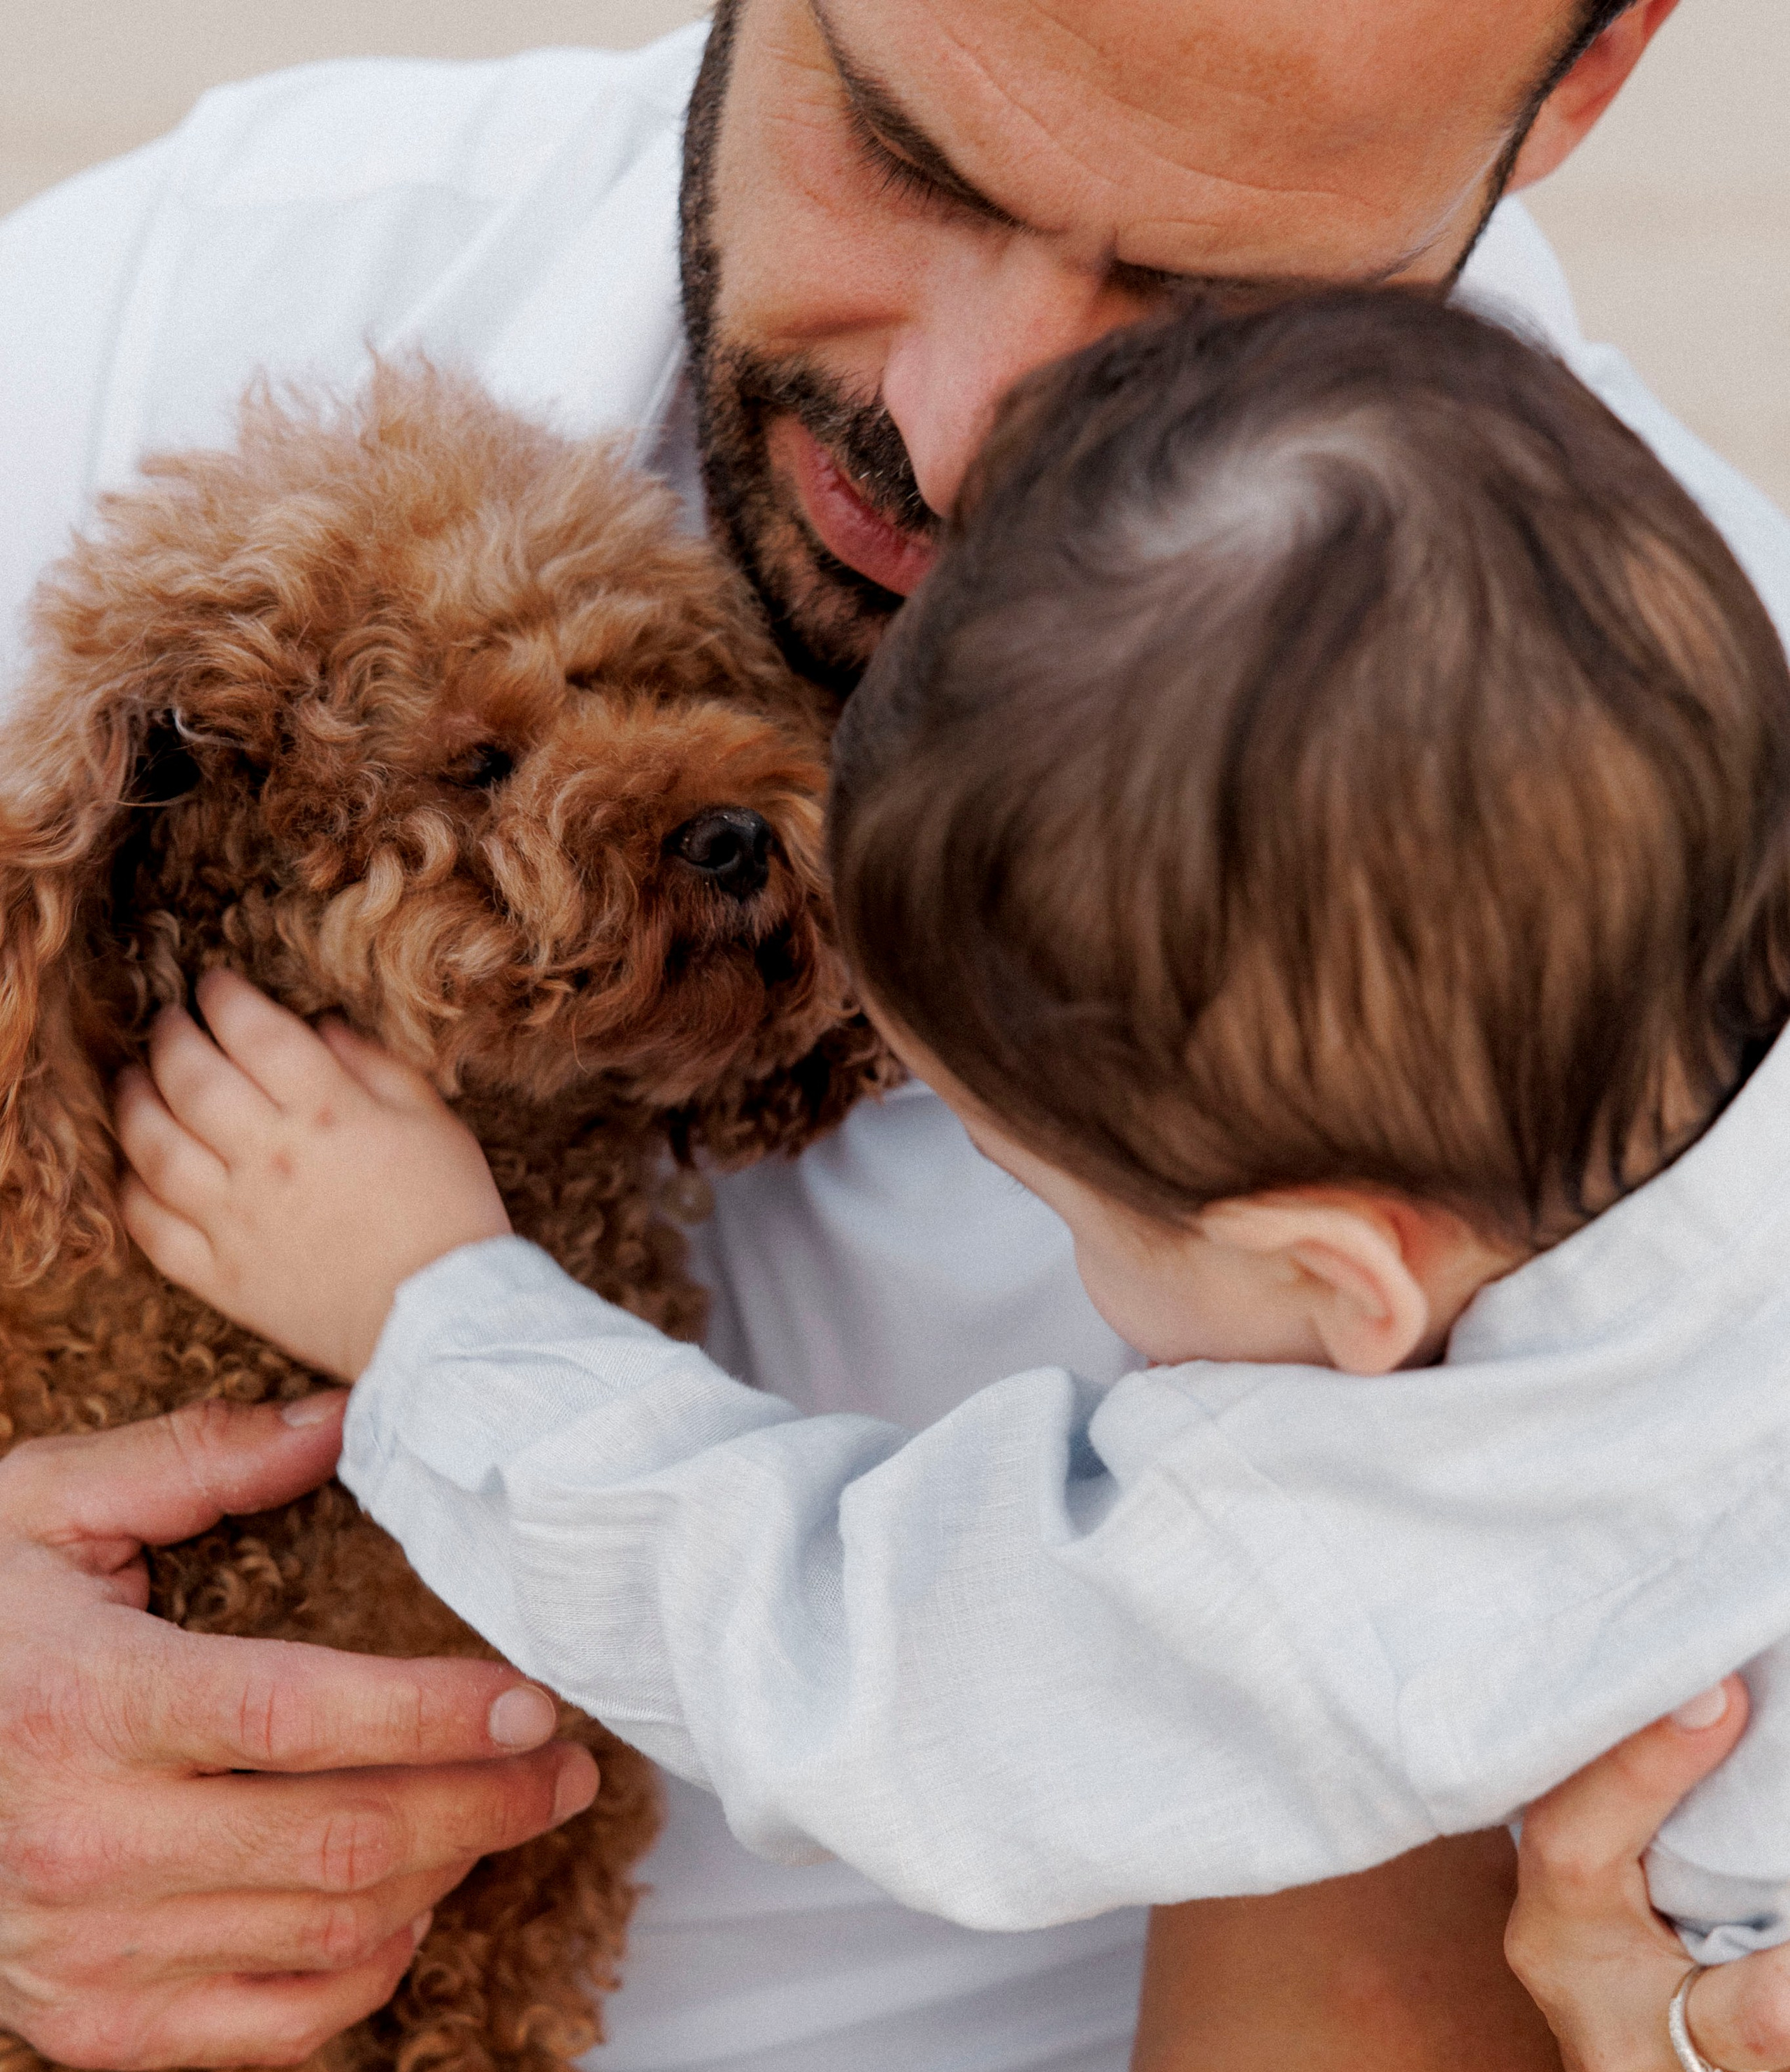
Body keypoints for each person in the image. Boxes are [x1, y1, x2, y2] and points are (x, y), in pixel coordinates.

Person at [0, 4, 1786, 2072]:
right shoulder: (183, 308)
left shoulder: (1611, 889)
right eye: (906, 154)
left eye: (1193, 293)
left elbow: (920, 1690)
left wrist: (439, 1322)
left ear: (1598, 65)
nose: (958, 435)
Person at [113, 283, 1790, 1964]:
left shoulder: (1401, 1534)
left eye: (1051, 1200)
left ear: (1344, 1279)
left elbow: (878, 1679)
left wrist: (436, 1315)